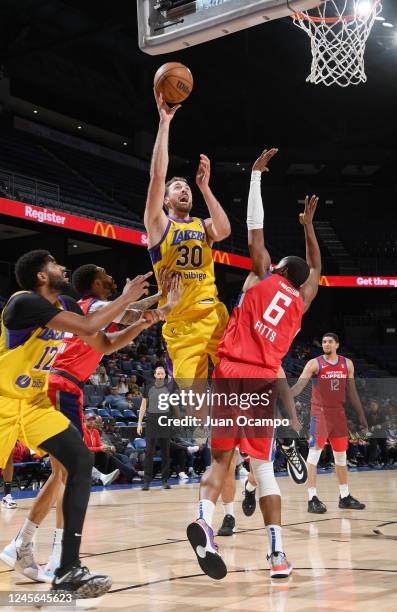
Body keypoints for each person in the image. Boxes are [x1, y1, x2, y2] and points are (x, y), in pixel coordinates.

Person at [186, 148, 322, 581]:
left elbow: (254, 232)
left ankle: (205, 520)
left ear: (279, 267)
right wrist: (309, 227)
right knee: (262, 468)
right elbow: (317, 267)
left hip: (228, 372)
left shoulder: (261, 275)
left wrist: (256, 177)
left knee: (220, 460)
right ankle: (277, 555)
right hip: (263, 379)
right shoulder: (301, 301)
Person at [1, 263, 182, 582]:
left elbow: (110, 339)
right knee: (66, 472)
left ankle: (45, 554)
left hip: (38, 395)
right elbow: (122, 314)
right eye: (105, 274)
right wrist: (153, 298)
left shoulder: (69, 307)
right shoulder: (75, 305)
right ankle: (43, 551)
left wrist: (156, 309)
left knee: (69, 469)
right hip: (54, 386)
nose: (62, 266)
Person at [144, 89, 231, 388]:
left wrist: (205, 188)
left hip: (213, 313)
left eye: (187, 188)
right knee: (195, 403)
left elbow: (225, 231)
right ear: (166, 200)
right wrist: (164, 123)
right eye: (177, 188)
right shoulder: (158, 225)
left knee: (237, 384)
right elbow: (158, 176)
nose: (184, 190)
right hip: (180, 322)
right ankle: (200, 433)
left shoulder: (203, 225)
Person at [291, 332, 368, 513]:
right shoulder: (314, 363)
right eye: (324, 342)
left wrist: (361, 414)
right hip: (320, 413)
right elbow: (300, 385)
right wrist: (286, 394)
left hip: (338, 414)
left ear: (337, 344)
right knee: (314, 454)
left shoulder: (347, 364)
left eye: (329, 342)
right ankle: (312, 498)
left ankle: (345, 496)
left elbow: (352, 391)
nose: (326, 344)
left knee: (341, 456)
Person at [137, 365, 175, 490]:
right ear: (154, 375)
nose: (159, 375)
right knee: (149, 452)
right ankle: (146, 481)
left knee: (166, 452)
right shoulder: (148, 386)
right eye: (157, 374)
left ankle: (165, 480)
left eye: (162, 374)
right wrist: (139, 423)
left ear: (165, 375)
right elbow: (143, 406)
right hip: (151, 422)